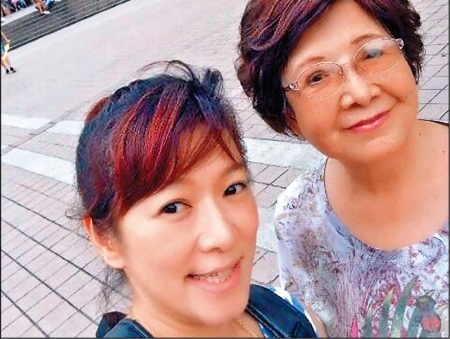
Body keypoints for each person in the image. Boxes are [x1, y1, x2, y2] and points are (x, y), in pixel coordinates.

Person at [236, 0, 448, 338]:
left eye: (372, 53)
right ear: (289, 115)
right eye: (316, 77)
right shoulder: (299, 220)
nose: (360, 93)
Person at [72, 60, 325, 338]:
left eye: (232, 189)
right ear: (107, 240)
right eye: (173, 207)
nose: (223, 235)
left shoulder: (286, 311)